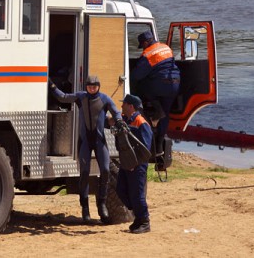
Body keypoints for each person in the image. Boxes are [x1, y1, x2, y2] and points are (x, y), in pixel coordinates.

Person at [49, 75, 122, 224]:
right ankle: (85, 208)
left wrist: (119, 120)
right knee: (84, 172)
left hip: (100, 141)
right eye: (89, 87)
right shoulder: (81, 97)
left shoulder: (105, 99)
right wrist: (51, 85)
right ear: (86, 87)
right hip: (84, 142)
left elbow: (116, 112)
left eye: (94, 87)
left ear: (99, 87)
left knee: (106, 170)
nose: (92, 89)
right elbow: (63, 97)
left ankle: (102, 204)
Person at [130, 30, 180, 157]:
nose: (143, 48)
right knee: (165, 115)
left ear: (146, 42)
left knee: (142, 86)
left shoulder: (148, 54)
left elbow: (136, 75)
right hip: (175, 83)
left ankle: (156, 107)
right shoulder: (166, 47)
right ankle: (159, 147)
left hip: (160, 85)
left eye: (143, 45)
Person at [111, 94, 152, 234]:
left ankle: (144, 221)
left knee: (137, 194)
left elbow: (145, 148)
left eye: (124, 104)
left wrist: (136, 164)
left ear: (131, 106)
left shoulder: (141, 123)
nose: (121, 106)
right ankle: (138, 218)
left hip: (137, 165)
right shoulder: (125, 120)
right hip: (126, 162)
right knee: (121, 189)